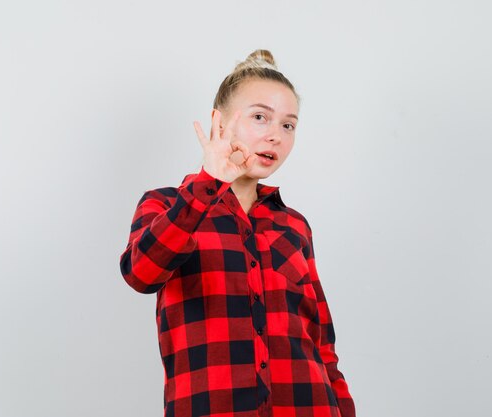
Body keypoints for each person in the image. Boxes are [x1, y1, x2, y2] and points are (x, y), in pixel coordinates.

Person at [119, 49, 356, 417]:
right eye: (260, 117)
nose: (275, 136)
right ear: (219, 122)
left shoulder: (294, 226)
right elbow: (140, 273)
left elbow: (322, 345)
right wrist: (207, 185)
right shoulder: (166, 206)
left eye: (288, 125)